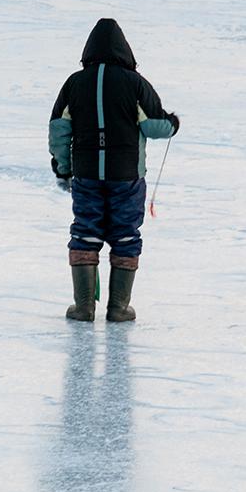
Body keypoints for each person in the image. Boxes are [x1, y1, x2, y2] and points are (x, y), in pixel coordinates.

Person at [48, 18, 179, 322]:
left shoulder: (74, 83)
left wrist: (64, 169)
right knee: (125, 236)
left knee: (85, 232)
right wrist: (173, 123)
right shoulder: (135, 83)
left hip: (87, 175)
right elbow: (155, 126)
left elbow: (59, 131)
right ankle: (118, 308)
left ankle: (83, 308)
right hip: (127, 178)